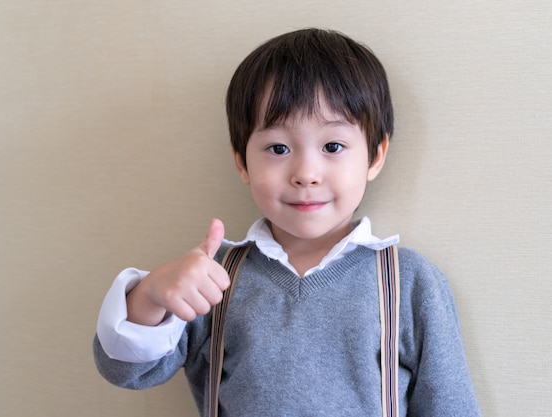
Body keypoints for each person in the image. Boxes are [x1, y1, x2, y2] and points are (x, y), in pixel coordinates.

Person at [93, 28, 480, 416]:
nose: (306, 173)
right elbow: (127, 371)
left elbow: (451, 407)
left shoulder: (410, 282)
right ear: (242, 162)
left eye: (333, 146)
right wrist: (151, 294)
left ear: (375, 156)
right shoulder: (211, 280)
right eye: (278, 148)